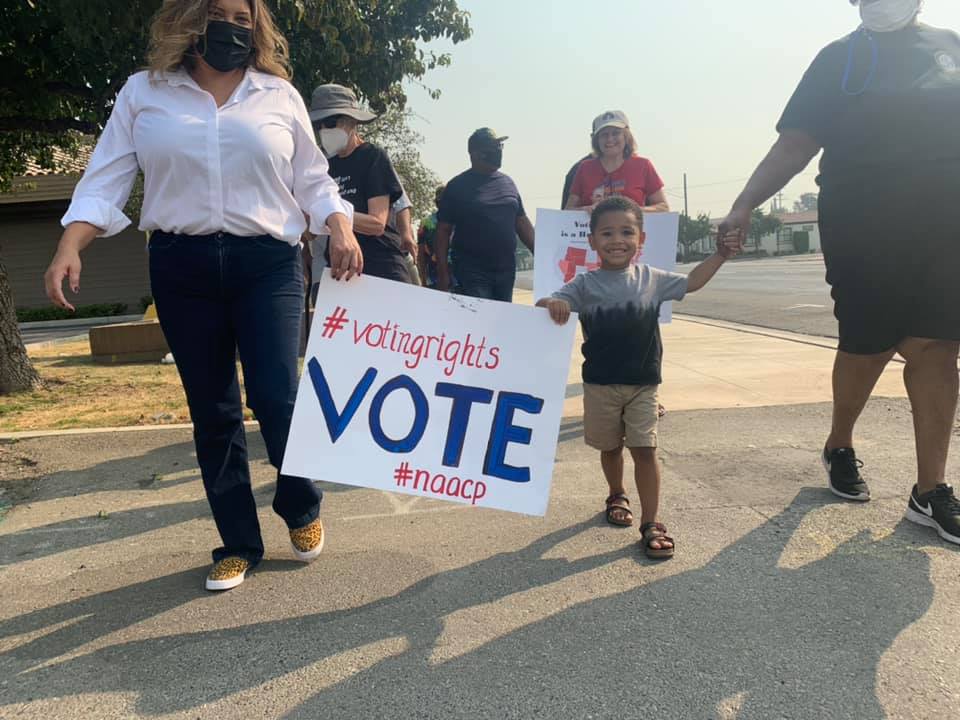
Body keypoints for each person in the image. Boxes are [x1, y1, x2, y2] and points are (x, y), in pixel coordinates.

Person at [42, 0, 362, 592]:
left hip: (266, 262)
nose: (231, 27)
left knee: (277, 396)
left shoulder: (277, 95)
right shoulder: (145, 92)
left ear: (257, 27)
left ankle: (300, 503)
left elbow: (313, 178)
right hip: (181, 265)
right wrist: (71, 245)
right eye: (218, 13)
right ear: (190, 19)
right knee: (213, 411)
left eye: (243, 17)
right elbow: (108, 174)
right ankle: (238, 543)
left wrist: (338, 224)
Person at [717, 0, 960, 545]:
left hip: (945, 226)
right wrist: (743, 203)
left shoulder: (950, 46)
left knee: (939, 347)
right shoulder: (839, 59)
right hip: (861, 224)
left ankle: (930, 489)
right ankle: (840, 443)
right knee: (867, 344)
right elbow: (796, 143)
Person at [538, 197, 740, 558]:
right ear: (593, 241)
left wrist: (720, 256)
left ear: (641, 239)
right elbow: (548, 302)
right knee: (610, 447)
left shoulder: (652, 279)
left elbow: (692, 282)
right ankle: (616, 493)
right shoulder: (583, 285)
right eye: (608, 233)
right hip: (600, 384)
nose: (618, 239)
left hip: (644, 384)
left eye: (627, 232)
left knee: (645, 450)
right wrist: (554, 305)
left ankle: (651, 521)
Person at [308, 83, 414, 284]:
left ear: (352, 121)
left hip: (382, 269)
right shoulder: (322, 166)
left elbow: (376, 224)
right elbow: (311, 233)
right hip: (340, 273)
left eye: (330, 122)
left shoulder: (373, 157)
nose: (323, 130)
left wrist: (331, 213)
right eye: (317, 125)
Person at [434, 128, 535, 301]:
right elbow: (443, 231)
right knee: (481, 320)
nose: (499, 151)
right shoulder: (457, 187)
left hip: (506, 270)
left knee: (499, 321)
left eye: (500, 146)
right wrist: (443, 274)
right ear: (476, 153)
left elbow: (521, 221)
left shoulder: (508, 183)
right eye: (494, 147)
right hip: (472, 271)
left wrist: (541, 253)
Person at [565, 111, 670, 212]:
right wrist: (584, 210)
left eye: (615, 133)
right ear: (596, 140)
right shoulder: (584, 168)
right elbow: (567, 211)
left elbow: (663, 207)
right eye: (604, 135)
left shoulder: (643, 165)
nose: (610, 139)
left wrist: (635, 210)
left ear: (626, 136)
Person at [417, 185, 446, 288]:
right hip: (433, 278)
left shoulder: (461, 222)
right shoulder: (426, 223)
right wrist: (423, 280)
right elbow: (420, 255)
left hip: (457, 279)